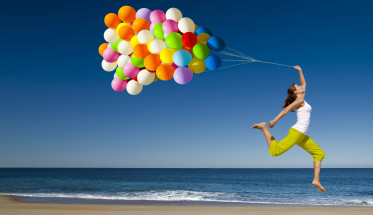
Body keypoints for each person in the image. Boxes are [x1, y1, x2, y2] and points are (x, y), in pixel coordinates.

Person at [251, 66, 326, 192]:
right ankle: (264, 127)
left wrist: (300, 70)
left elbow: (304, 83)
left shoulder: (302, 96)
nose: (301, 87)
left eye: (300, 86)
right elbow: (286, 110)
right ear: (296, 92)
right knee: (275, 152)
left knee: (319, 153)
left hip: (302, 135)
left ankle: (316, 180)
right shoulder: (299, 100)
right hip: (297, 132)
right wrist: (274, 120)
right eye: (298, 87)